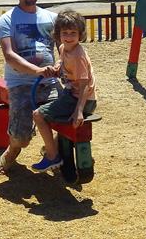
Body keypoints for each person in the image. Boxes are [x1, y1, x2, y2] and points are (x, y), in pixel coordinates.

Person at [0, 0, 60, 175]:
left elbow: (63, 48)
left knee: (73, 117)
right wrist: (37, 70)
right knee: (21, 138)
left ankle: (51, 150)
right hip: (21, 83)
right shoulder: (7, 20)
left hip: (49, 82)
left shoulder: (51, 18)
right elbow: (10, 56)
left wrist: (59, 65)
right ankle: (11, 151)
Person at [31, 10, 97, 172]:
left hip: (82, 99)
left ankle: (53, 156)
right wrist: (58, 67)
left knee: (38, 115)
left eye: (73, 33)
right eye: (65, 33)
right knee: (53, 114)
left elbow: (84, 84)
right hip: (71, 95)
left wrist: (79, 111)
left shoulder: (78, 55)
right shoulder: (63, 48)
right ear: (58, 35)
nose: (68, 37)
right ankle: (56, 148)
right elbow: (62, 59)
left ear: (80, 34)